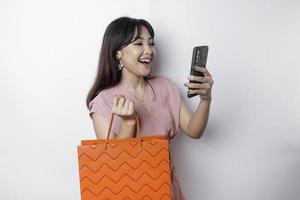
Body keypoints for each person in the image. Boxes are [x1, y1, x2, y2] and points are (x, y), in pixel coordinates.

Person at [86, 16, 214, 200]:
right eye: (139, 44)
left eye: (151, 43)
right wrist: (129, 123)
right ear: (118, 53)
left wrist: (206, 98)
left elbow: (195, 130)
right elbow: (115, 165)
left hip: (167, 192)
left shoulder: (165, 87)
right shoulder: (102, 101)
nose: (149, 51)